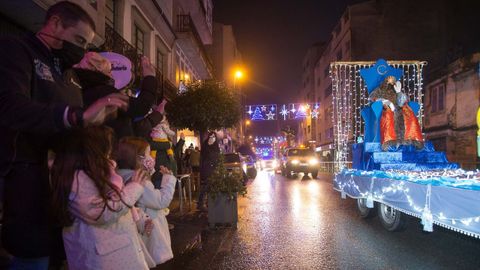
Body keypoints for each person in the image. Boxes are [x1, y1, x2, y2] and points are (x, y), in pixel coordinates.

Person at [0, 2, 128, 269]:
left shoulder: (69, 75)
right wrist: (75, 116)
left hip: (64, 186)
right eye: (78, 39)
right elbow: (10, 107)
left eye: (86, 44)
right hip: (26, 178)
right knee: (33, 255)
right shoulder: (17, 51)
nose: (80, 49)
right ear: (55, 24)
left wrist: (97, 128)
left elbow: (77, 123)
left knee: (60, 255)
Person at [50, 126, 150, 270]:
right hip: (104, 259)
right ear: (93, 149)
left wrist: (140, 218)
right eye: (107, 147)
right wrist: (133, 189)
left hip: (116, 255)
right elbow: (100, 212)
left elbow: (120, 208)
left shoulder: (100, 173)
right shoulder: (78, 178)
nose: (110, 152)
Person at [116, 137, 177, 266]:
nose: (151, 158)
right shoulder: (139, 180)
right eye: (148, 154)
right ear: (137, 158)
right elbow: (161, 201)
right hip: (150, 230)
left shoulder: (121, 176)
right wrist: (169, 179)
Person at [79, 52, 157, 139]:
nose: (111, 75)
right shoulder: (104, 91)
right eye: (108, 71)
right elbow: (140, 106)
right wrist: (149, 77)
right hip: (110, 144)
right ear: (99, 71)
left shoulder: (81, 87)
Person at [197, 132, 220, 211]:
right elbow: (204, 157)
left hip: (214, 168)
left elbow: (217, 156)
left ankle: (209, 203)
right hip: (206, 168)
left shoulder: (216, 145)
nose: (212, 137)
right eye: (211, 136)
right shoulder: (205, 145)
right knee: (206, 186)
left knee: (212, 186)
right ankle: (201, 203)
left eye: (214, 136)